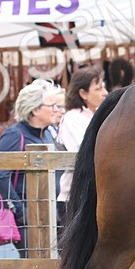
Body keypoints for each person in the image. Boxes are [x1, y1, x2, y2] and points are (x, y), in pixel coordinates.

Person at [0, 79, 62, 269]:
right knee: (36, 260)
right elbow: (1, 176)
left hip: (48, 211)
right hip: (25, 212)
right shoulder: (13, 136)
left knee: (38, 261)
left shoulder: (48, 134)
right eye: (52, 106)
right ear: (35, 110)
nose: (57, 110)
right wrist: (19, 210)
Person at [55, 66, 108, 227]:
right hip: (75, 196)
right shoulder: (72, 118)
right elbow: (83, 149)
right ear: (83, 93)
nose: (105, 93)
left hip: (94, 193)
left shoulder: (95, 114)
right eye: (98, 89)